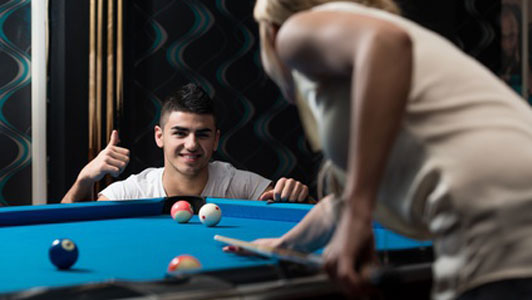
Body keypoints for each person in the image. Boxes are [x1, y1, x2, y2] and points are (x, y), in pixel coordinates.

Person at [225, 0, 532, 299]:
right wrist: (284, 246)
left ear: (271, 31)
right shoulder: (357, 75)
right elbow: (342, 201)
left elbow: (387, 42)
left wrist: (359, 214)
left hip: (497, 212)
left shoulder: (294, 32)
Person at [61, 83, 310, 203]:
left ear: (216, 140)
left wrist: (298, 198)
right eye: (180, 133)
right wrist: (84, 179)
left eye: (202, 134)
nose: (191, 144)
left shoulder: (239, 184)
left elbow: (299, 209)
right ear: (160, 136)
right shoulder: (134, 190)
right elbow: (67, 225)